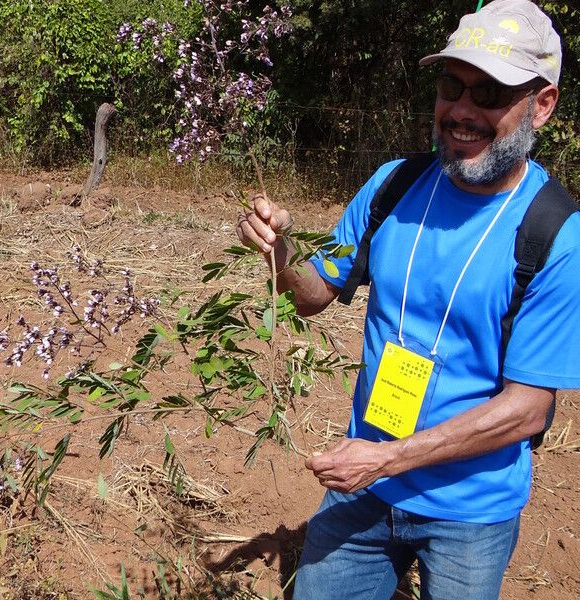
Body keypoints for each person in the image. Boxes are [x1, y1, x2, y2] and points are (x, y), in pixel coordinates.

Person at [236, 1, 580, 598]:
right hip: (364, 487)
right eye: (453, 86)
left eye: (490, 93)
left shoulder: (558, 236)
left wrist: (386, 460)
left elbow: (528, 409)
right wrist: (282, 255)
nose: (462, 111)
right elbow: (314, 296)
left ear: (541, 105)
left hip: (469, 510)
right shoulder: (393, 185)